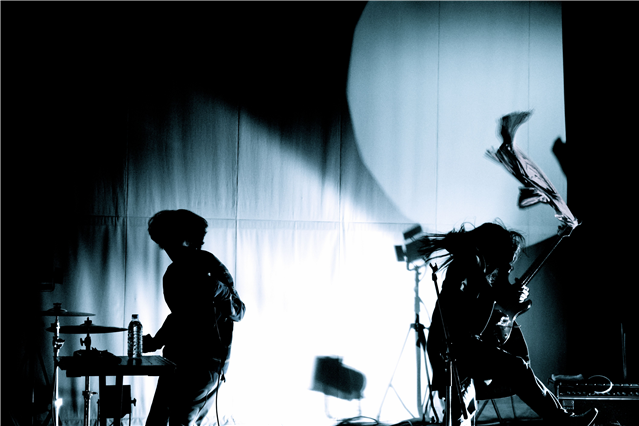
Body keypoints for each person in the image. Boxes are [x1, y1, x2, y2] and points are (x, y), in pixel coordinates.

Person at [421, 222, 597, 426]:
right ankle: (563, 420)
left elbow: (485, 302)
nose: (506, 264)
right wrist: (506, 296)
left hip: (464, 343)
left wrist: (514, 296)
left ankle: (563, 419)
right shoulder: (470, 261)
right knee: (515, 367)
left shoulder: (479, 264)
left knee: (472, 407)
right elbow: (479, 306)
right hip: (453, 346)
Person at [143, 209, 246, 426]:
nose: (168, 250)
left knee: (181, 421)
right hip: (175, 361)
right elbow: (180, 316)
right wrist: (155, 342)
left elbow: (239, 312)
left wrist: (218, 289)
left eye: (172, 242)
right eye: (164, 244)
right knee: (156, 422)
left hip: (204, 366)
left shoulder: (210, 265)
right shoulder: (172, 273)